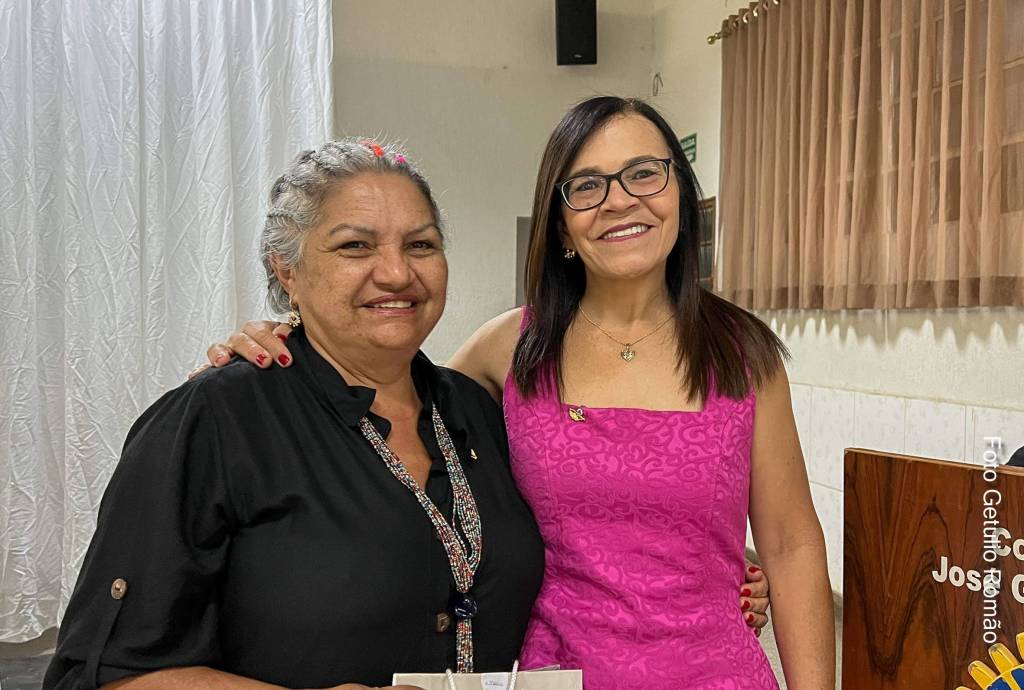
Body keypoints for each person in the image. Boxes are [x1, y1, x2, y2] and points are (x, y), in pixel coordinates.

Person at [204, 98, 832, 688]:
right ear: (561, 225)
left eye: (644, 173)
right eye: (587, 185)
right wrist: (291, 337)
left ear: (681, 195)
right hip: (555, 672)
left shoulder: (743, 354)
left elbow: (790, 544)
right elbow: (386, 426)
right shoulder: (510, 348)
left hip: (716, 672)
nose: (619, 201)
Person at [43, 140, 547, 690]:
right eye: (355, 246)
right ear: (286, 270)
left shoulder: (475, 408)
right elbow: (104, 673)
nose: (397, 272)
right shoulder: (217, 418)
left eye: (420, 244)